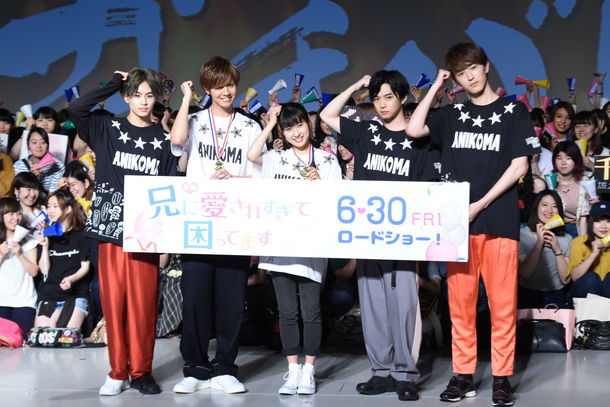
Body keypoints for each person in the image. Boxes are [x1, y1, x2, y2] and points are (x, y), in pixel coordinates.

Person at [405, 42, 540, 406]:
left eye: (473, 69)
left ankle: (502, 378)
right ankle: (463, 375)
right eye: (461, 74)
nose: (469, 78)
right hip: (457, 227)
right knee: (460, 306)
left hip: (498, 222)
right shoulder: (452, 114)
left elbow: (519, 166)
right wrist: (436, 85)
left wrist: (479, 204)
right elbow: (414, 129)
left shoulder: (514, 111)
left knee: (502, 306)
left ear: (486, 66)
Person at [321, 69, 441, 402]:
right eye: (376, 98)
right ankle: (381, 371)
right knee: (372, 307)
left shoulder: (419, 141)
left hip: (403, 240)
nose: (382, 104)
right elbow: (327, 115)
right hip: (368, 238)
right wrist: (356, 86)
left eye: (388, 96)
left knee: (404, 306)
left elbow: (429, 190)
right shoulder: (366, 133)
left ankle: (405, 373)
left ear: (403, 98)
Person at [68, 68, 179, 396]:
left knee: (144, 305)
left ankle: (141, 371)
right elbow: (76, 108)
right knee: (114, 304)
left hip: (145, 233)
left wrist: (164, 239)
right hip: (110, 229)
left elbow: (168, 189)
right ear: (126, 97)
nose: (144, 101)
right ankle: (117, 371)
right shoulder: (106, 127)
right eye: (137, 94)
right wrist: (115, 82)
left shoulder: (163, 140)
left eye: (149, 95)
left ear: (156, 98)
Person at [170, 56, 261, 395]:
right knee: (194, 300)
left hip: (234, 223)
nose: (227, 91)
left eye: (231, 84)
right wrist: (185, 100)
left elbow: (260, 176)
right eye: (219, 86)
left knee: (231, 302)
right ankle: (194, 368)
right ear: (207, 88)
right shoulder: (194, 121)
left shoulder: (250, 126)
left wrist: (234, 178)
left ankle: (224, 368)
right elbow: (176, 143)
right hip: (198, 223)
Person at [246, 102, 341, 395]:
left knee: (311, 312)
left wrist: (321, 185)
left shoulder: (326, 161)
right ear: (282, 132)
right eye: (288, 128)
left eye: (299, 125)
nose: (296, 132)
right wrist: (269, 124)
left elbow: (338, 201)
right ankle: (293, 370)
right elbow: (251, 155)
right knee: (286, 313)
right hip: (280, 246)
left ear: (308, 125)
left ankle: (309, 371)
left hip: (312, 247)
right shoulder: (276, 158)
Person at [34, 189, 90, 330]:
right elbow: (44, 270)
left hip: (75, 295)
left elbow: (85, 267)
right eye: (48, 206)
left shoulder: (81, 235)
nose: (50, 210)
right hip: (49, 294)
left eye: (55, 206)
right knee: (43, 337)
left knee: (65, 336)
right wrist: (45, 247)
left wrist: (71, 279)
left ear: (68, 209)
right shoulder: (46, 234)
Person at [518, 190, 572, 308]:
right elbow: (525, 274)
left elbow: (565, 279)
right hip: (526, 295)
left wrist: (557, 249)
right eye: (545, 205)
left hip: (555, 296)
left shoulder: (566, 239)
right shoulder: (522, 234)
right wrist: (539, 243)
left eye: (554, 206)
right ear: (536, 208)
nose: (549, 210)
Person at [0, 197, 39, 334]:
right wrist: (1, 254)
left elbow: (34, 271)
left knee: (22, 342)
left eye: (18, 213)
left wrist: (20, 254)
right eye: (11, 214)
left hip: (25, 301)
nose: (16, 218)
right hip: (1, 300)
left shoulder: (29, 240)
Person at [566, 201, 610, 298]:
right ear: (591, 222)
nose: (603, 226)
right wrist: (593, 255)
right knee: (590, 278)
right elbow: (574, 276)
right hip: (585, 294)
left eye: (608, 221)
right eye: (598, 221)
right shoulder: (580, 242)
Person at [552, 141, 590, 237]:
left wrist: (581, 241)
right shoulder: (549, 181)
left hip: (576, 228)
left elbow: (583, 218)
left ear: (576, 161)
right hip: (554, 228)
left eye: (568, 158)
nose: (563, 163)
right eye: (559, 158)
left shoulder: (585, 183)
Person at [13, 127, 65, 196]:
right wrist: (30, 177)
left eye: (43, 142)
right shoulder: (18, 165)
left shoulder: (58, 166)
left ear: (48, 145)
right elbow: (18, 194)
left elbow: (52, 197)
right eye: (34, 142)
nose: (38, 146)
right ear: (28, 145)